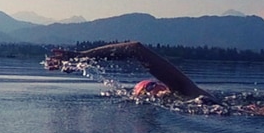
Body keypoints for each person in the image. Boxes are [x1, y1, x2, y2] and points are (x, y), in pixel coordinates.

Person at [57, 41, 218, 101]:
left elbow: (135, 48)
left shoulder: (187, 91)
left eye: (153, 84)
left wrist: (83, 56)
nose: (156, 87)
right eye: (148, 87)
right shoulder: (188, 96)